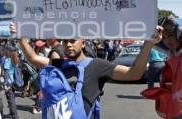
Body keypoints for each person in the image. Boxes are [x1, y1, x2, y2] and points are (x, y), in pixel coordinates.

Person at [10, 22, 162, 118]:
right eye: (64, 42)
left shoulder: (97, 65)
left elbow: (133, 73)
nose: (68, 45)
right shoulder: (59, 65)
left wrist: (148, 44)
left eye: (72, 41)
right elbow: (33, 59)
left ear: (82, 43)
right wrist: (20, 37)